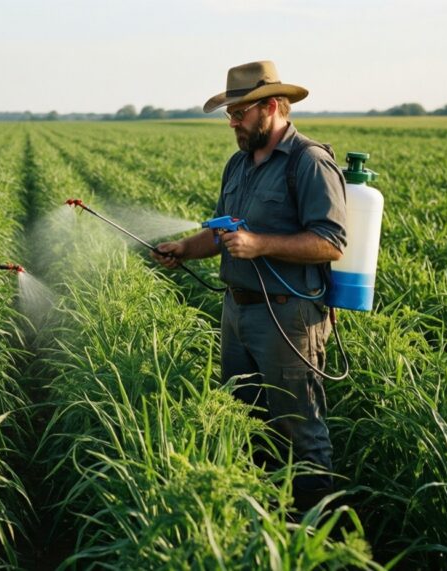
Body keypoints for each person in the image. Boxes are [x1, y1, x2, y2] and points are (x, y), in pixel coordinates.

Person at [152, 61, 347, 510]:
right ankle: (264, 520)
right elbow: (223, 234)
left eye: (241, 113)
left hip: (288, 316)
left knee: (301, 429)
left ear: (273, 107)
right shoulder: (239, 164)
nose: (234, 124)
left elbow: (331, 243)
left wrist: (261, 244)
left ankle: (318, 532)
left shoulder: (310, 163)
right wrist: (184, 247)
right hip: (237, 312)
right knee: (244, 421)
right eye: (230, 115)